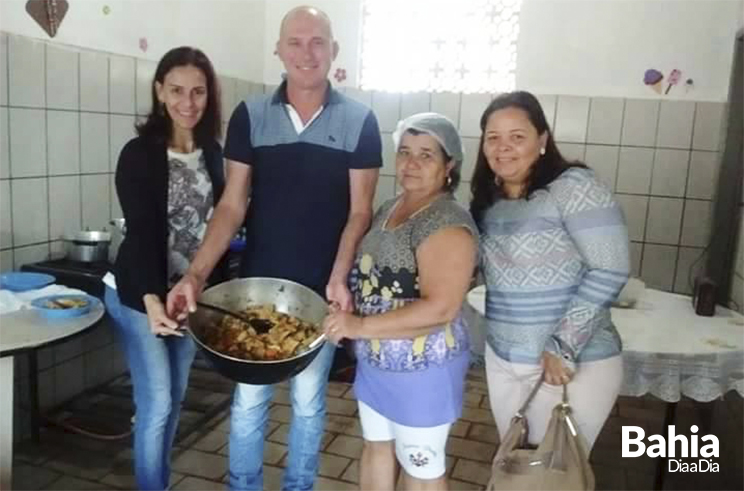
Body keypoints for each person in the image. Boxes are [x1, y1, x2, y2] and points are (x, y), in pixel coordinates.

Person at [165, 6, 382, 491]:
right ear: (279, 51)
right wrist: (196, 275)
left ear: (334, 51)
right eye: (296, 42)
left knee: (308, 403)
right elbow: (231, 204)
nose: (307, 53)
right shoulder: (251, 116)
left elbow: (360, 212)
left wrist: (339, 276)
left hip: (321, 295)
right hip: (256, 293)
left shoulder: (360, 121)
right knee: (248, 403)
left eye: (318, 42)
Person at [323, 113, 478, 491]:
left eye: (426, 155)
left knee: (420, 468)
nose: (411, 163)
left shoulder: (448, 223)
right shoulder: (390, 208)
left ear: (449, 166)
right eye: (405, 152)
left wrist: (356, 326)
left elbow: (440, 309)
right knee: (376, 449)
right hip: (377, 365)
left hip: (424, 371)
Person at [469, 90, 630, 450]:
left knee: (556, 476)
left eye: (517, 137)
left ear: (542, 140)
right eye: (493, 138)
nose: (503, 147)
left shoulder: (573, 186)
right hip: (503, 360)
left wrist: (564, 344)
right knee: (516, 467)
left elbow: (611, 268)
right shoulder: (489, 199)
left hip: (568, 365)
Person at [103, 46, 225, 490]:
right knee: (156, 401)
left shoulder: (213, 153)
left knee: (173, 399)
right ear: (159, 91)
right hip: (139, 292)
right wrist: (153, 299)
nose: (187, 102)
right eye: (176, 90)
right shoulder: (139, 153)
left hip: (186, 297)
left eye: (197, 91)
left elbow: (218, 226)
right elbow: (142, 233)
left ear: (209, 95)